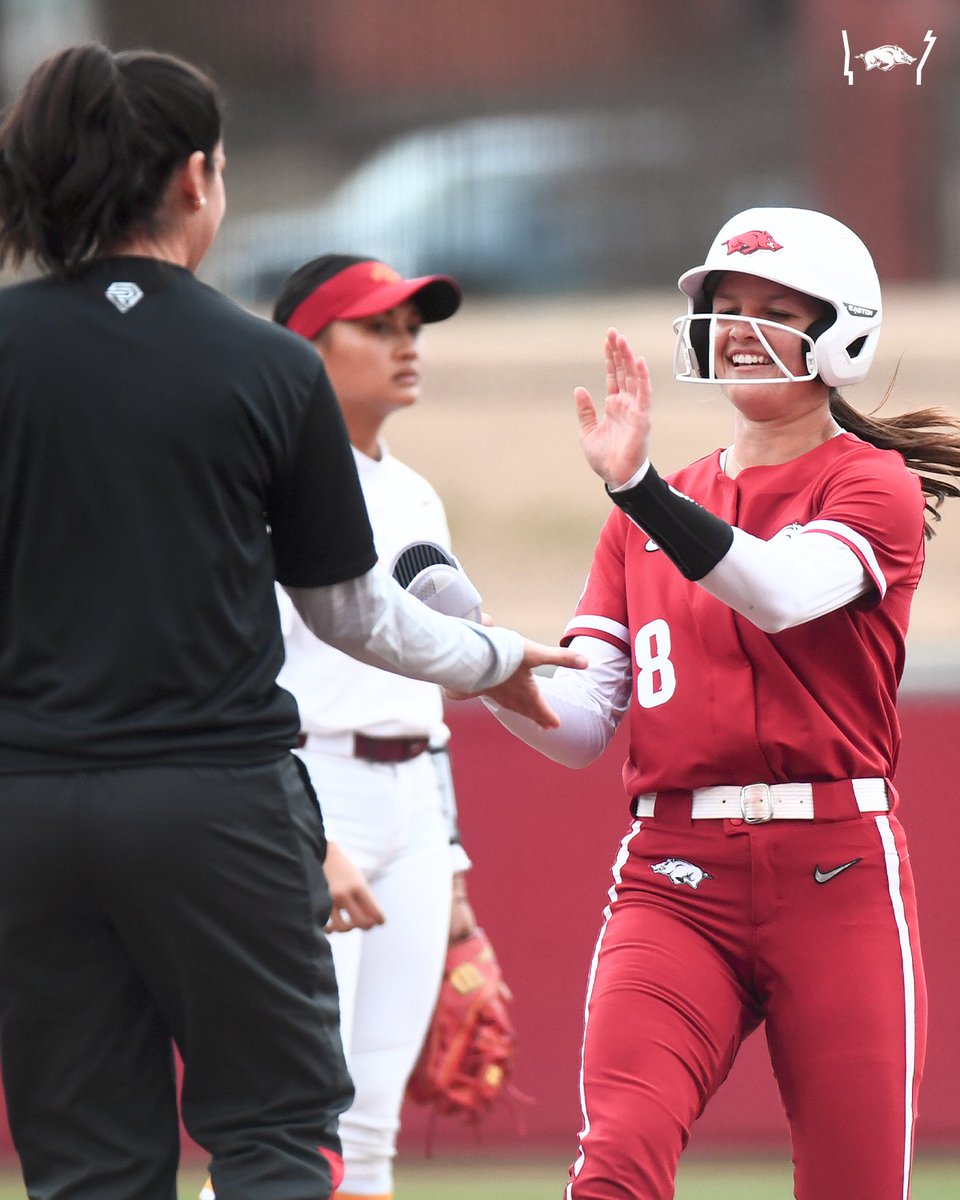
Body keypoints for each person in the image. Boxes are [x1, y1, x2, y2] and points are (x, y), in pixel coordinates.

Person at [0, 43, 584, 1200]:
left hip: (29, 804)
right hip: (217, 800)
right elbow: (359, 616)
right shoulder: (267, 368)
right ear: (194, 179)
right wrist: (498, 656)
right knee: (275, 1135)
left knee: (86, 1157)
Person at [482, 206, 960, 1200]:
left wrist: (643, 491)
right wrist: (472, 661)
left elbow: (780, 593)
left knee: (856, 1188)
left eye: (774, 306)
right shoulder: (650, 513)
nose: (739, 323)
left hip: (836, 872)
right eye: (727, 304)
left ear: (845, 330)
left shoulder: (872, 484)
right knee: (614, 1166)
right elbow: (581, 728)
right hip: (674, 872)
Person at [201, 254, 486, 1200]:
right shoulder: (260, 486)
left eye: (412, 327)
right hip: (312, 797)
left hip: (408, 808)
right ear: (302, 350)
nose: (406, 345)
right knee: (292, 1125)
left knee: (368, 1135)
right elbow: (236, 677)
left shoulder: (411, 492)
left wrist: (447, 859)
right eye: (377, 328)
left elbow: (424, 694)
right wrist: (305, 839)